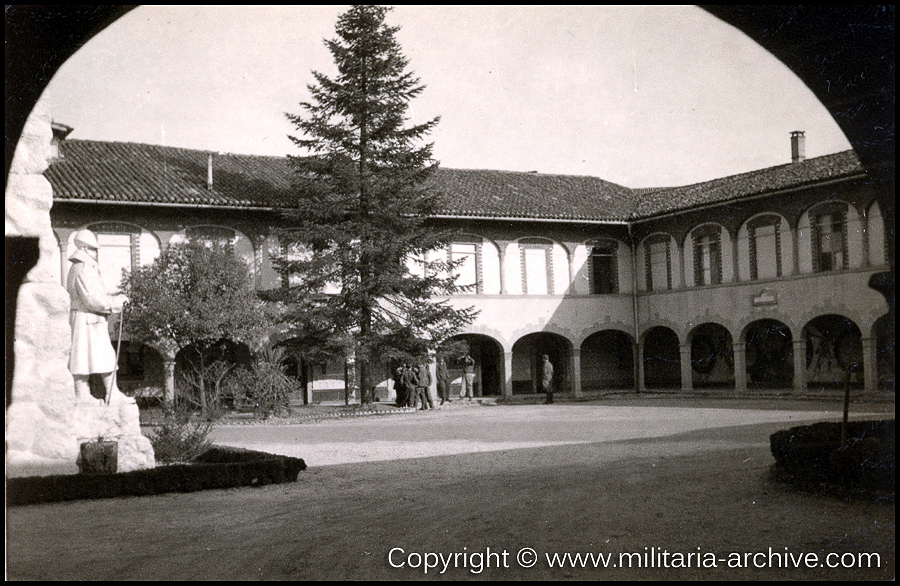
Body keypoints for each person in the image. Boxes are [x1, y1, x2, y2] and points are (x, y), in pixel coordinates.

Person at [67, 229, 131, 405]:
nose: (96, 253)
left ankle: (105, 393)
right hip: (88, 319)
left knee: (88, 356)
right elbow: (93, 299)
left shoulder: (78, 268)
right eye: (94, 249)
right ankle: (89, 395)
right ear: (86, 249)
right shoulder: (83, 268)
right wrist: (115, 302)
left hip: (87, 319)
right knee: (91, 357)